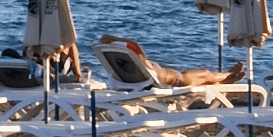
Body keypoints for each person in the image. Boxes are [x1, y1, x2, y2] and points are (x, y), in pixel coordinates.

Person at [96, 34, 244, 86]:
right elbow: (135, 44)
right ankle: (228, 75)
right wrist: (116, 39)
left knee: (206, 78)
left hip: (175, 79)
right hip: (181, 80)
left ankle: (226, 79)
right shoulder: (144, 65)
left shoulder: (134, 71)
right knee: (205, 73)